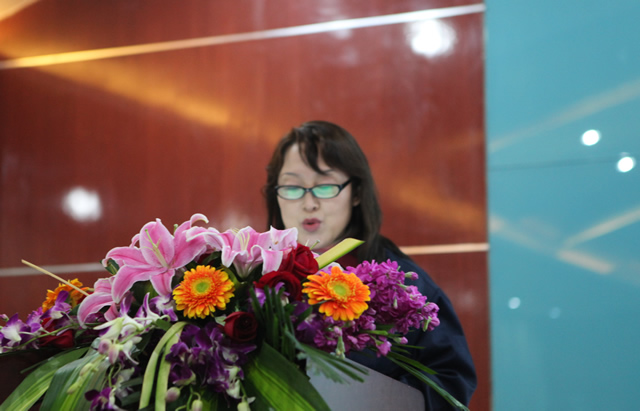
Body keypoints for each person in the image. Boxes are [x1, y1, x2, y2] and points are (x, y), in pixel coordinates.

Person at [264, 120, 477, 409]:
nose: (309, 203)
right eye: (292, 187)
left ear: (356, 193)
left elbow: (451, 381)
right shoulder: (256, 278)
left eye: (325, 185)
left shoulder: (403, 286)